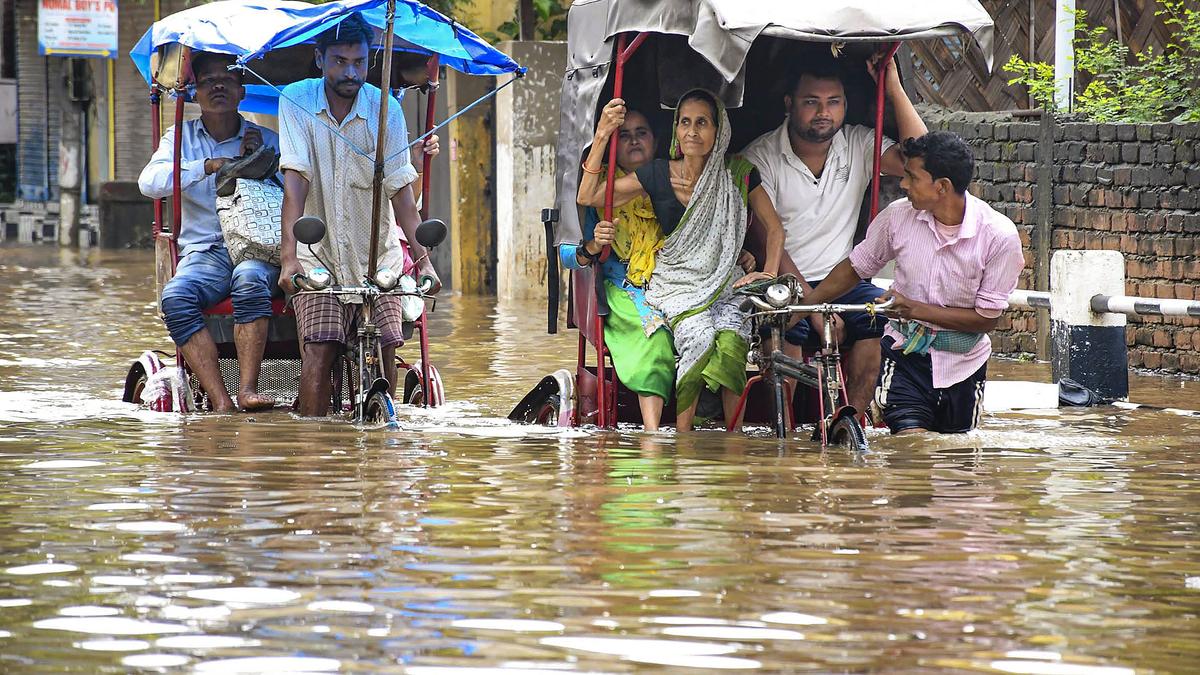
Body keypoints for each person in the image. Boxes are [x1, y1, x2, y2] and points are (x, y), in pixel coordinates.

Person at [579, 90, 786, 432]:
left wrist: (768, 273)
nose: (692, 132)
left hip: (725, 283)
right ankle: (684, 435)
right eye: (685, 122)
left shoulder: (739, 173)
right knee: (700, 337)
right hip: (674, 285)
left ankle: (733, 438)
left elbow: (775, 229)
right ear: (675, 130)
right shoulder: (658, 173)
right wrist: (602, 134)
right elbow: (589, 196)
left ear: (719, 131)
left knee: (733, 339)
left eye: (702, 123)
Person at [798, 131, 1024, 434]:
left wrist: (913, 309)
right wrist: (803, 307)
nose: (903, 185)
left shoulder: (999, 236)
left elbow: (986, 319)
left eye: (912, 177)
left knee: (955, 466)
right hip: (904, 356)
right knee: (910, 446)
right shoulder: (897, 217)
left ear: (941, 187)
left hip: (965, 363)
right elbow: (855, 267)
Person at [741, 55, 927, 417]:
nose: (823, 112)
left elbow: (924, 159)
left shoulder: (858, 143)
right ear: (789, 104)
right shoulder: (760, 157)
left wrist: (893, 88)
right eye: (811, 101)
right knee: (784, 329)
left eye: (833, 102)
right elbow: (766, 240)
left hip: (843, 279)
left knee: (878, 318)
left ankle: (851, 421)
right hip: (783, 278)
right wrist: (813, 308)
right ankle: (787, 434)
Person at [276, 13, 440, 417]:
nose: (351, 72)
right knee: (319, 350)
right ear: (320, 59)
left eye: (359, 62)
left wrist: (424, 261)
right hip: (320, 257)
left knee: (388, 345)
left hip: (376, 258)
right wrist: (289, 258)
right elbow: (296, 183)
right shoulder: (295, 100)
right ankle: (313, 452)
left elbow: (401, 194)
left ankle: (389, 440)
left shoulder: (386, 108)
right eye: (340, 61)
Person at [139, 51, 281, 412]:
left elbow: (296, 193)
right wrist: (207, 166)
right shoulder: (179, 139)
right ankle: (221, 401)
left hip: (258, 248)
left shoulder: (267, 138)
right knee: (175, 298)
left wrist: (258, 164)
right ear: (193, 92)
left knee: (249, 280)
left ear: (242, 90)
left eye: (228, 79)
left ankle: (247, 389)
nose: (218, 86)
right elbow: (150, 183)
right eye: (207, 81)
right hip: (205, 252)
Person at [561, 102, 675, 430]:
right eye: (624, 136)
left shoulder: (671, 180)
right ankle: (653, 435)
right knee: (655, 335)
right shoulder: (603, 192)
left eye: (642, 134)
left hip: (676, 281)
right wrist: (594, 244)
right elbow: (570, 255)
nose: (634, 141)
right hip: (624, 289)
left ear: (656, 140)